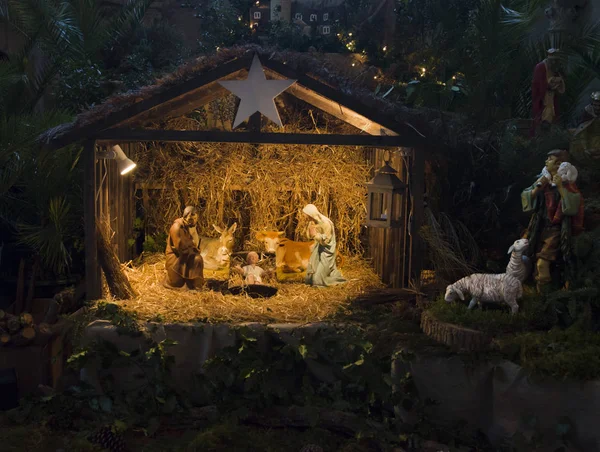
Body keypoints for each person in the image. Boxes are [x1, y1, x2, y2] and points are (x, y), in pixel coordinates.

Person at [521, 150, 584, 292]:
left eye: (550, 159)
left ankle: (544, 296)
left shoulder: (567, 184)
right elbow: (527, 196)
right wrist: (538, 187)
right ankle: (539, 295)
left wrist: (561, 187)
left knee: (542, 264)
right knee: (535, 261)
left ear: (559, 164)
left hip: (556, 231)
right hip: (539, 228)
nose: (546, 162)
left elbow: (572, 206)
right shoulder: (543, 181)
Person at [302, 204, 347, 287]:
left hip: (327, 251)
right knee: (310, 278)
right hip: (319, 248)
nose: (305, 218)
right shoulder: (312, 221)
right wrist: (311, 231)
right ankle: (327, 274)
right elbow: (309, 236)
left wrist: (315, 235)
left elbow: (326, 241)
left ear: (311, 214)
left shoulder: (326, 223)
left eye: (306, 215)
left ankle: (334, 280)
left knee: (317, 280)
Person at [163, 206, 204, 290]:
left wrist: (193, 248)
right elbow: (180, 248)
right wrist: (192, 249)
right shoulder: (177, 228)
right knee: (197, 259)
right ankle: (193, 285)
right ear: (187, 217)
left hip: (184, 255)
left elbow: (189, 242)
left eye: (196, 218)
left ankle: (196, 284)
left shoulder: (185, 227)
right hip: (176, 259)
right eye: (193, 218)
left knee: (197, 259)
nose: (195, 221)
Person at [531, 48, 566, 136]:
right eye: (552, 60)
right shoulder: (540, 67)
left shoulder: (555, 70)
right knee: (541, 123)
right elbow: (538, 85)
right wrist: (551, 84)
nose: (554, 63)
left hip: (552, 100)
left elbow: (560, 84)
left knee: (553, 122)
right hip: (542, 101)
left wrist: (557, 82)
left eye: (556, 60)